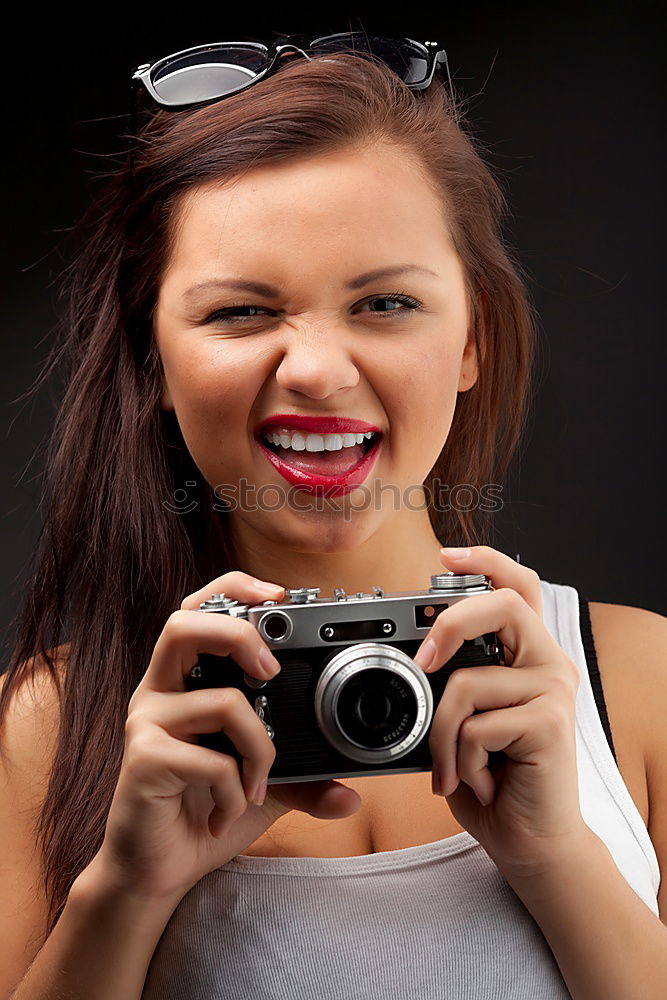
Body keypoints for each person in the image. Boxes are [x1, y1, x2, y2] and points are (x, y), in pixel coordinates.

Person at [1, 32, 666, 1000]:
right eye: (240, 312)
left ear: (471, 336)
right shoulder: (48, 725)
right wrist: (124, 889)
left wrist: (558, 854)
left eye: (385, 302)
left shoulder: (637, 686)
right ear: (151, 363)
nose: (315, 369)